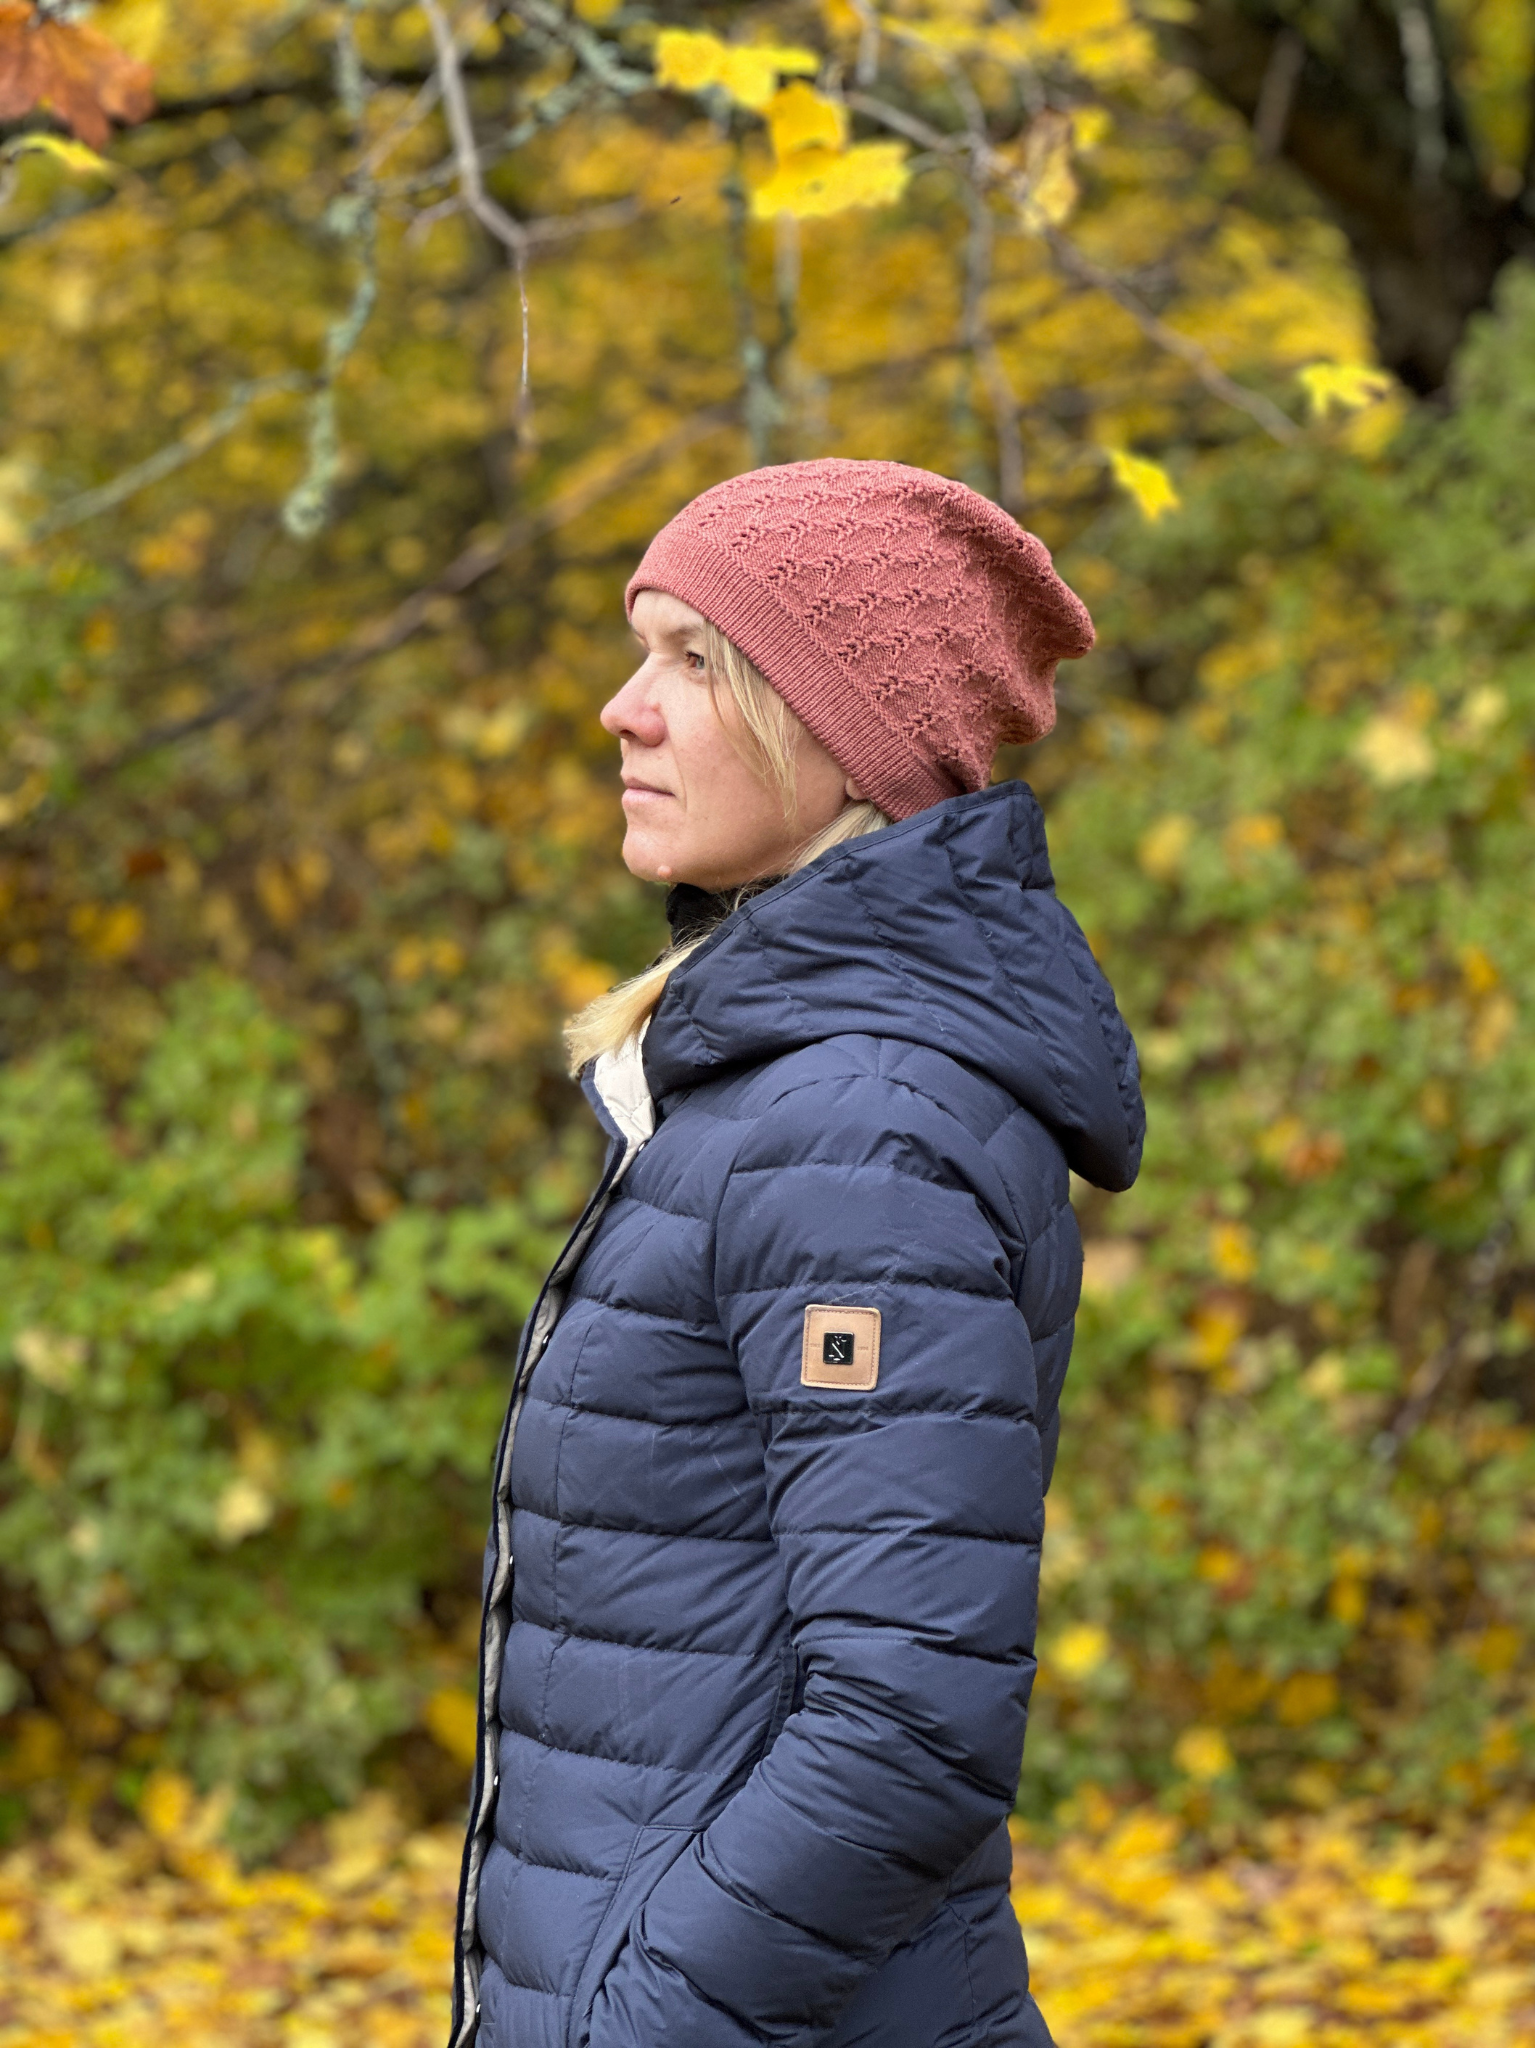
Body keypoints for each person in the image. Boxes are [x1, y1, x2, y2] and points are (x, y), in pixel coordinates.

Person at [449, 458, 1144, 2048]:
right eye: (641, 652)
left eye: (693, 660)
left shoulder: (860, 1127)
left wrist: (639, 2026)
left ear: (842, 731)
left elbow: (909, 1724)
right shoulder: (773, 1087)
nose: (623, 711)